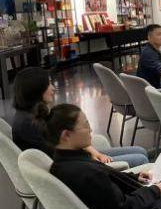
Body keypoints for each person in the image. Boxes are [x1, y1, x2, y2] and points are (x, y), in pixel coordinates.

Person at [12, 67, 149, 168]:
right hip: (78, 165)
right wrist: (94, 155)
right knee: (140, 159)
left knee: (140, 150)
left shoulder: (31, 115)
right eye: (48, 84)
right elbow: (61, 153)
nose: (53, 88)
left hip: (79, 157)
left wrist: (94, 152)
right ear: (36, 89)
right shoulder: (29, 124)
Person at [137, 24, 161, 88]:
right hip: (150, 89)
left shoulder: (151, 49)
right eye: (159, 34)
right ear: (149, 37)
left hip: (152, 86)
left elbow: (159, 62)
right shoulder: (148, 53)